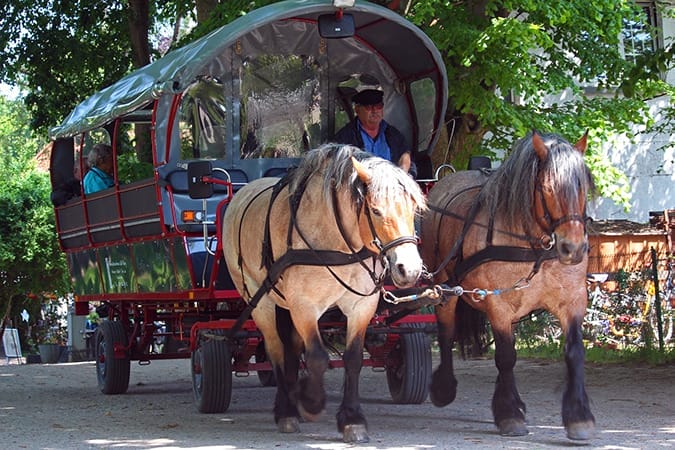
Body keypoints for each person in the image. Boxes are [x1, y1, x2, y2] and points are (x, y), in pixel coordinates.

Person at [334, 89, 416, 177]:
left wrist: (402, 176)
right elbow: (339, 170)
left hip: (392, 186)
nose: (374, 111)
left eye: (378, 106)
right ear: (357, 110)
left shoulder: (393, 135)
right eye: (369, 107)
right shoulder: (344, 137)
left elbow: (407, 159)